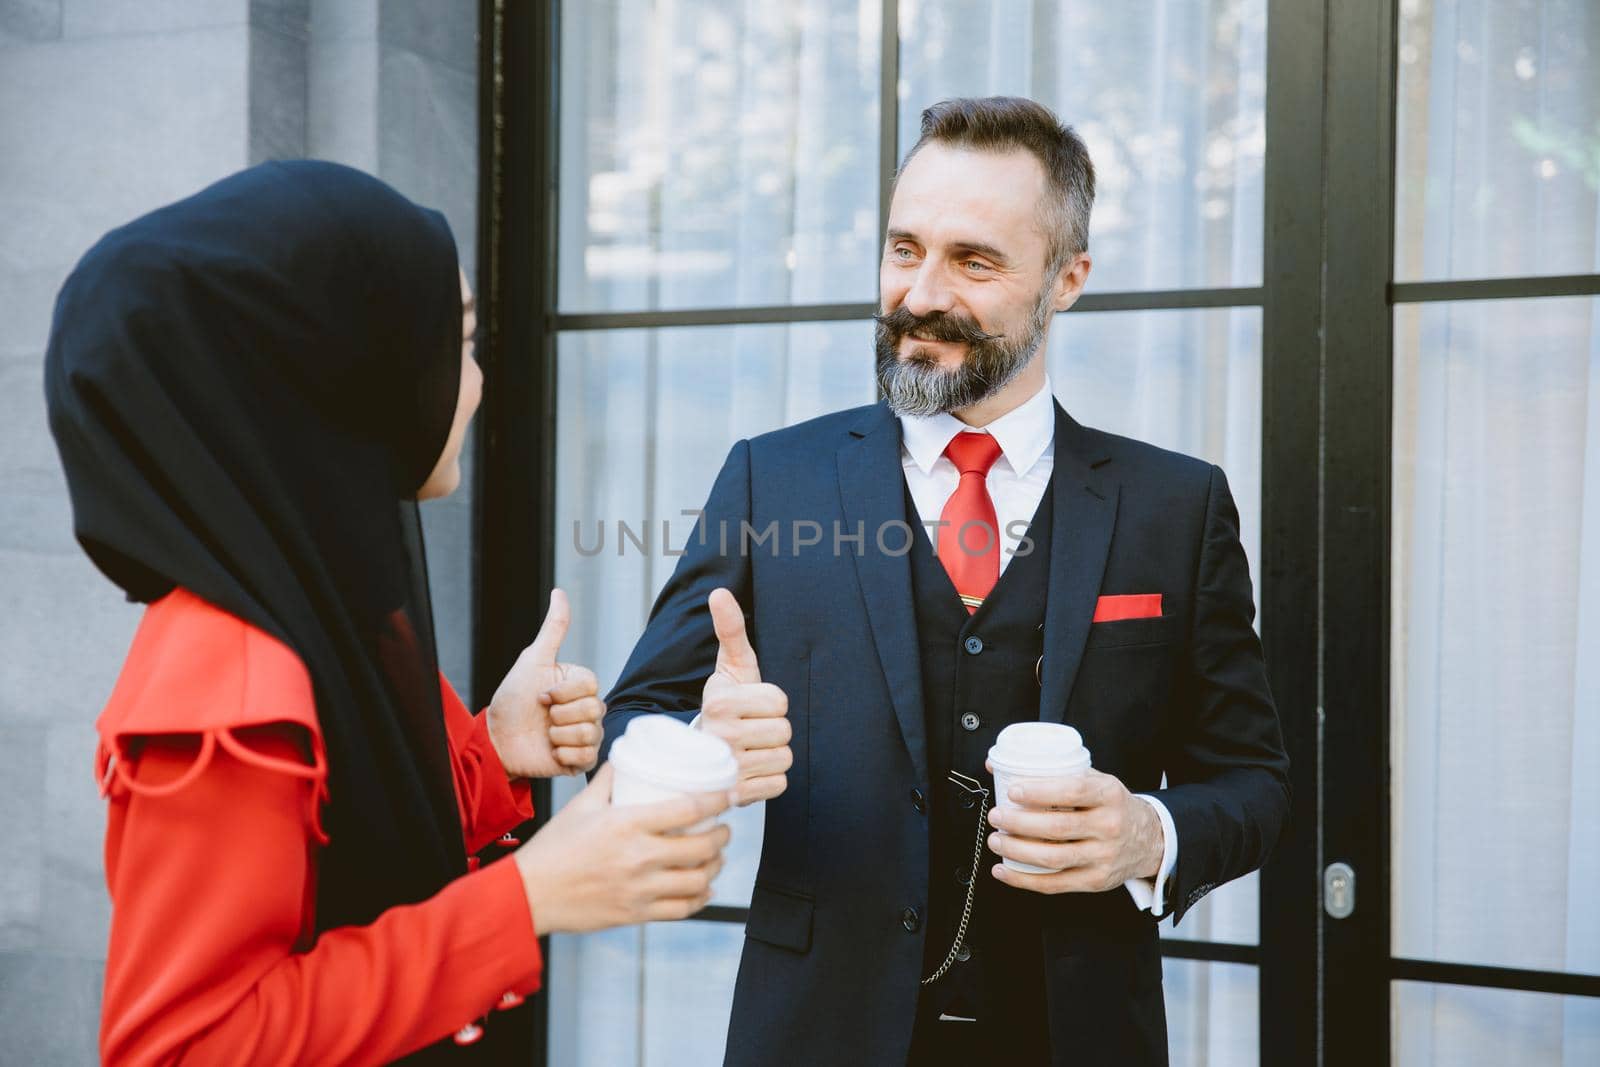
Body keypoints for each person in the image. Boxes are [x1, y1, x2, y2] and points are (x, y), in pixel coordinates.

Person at [600, 97, 1291, 1065]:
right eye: (902, 248)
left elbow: (1254, 781)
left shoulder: (1177, 505)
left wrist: (1148, 832)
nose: (920, 293)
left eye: (974, 261)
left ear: (1067, 280)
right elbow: (628, 725)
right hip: (816, 1035)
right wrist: (697, 750)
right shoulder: (772, 477)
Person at [45, 161, 732, 1066]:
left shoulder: (313, 589)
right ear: (340, 369)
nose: (478, 384)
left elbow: (344, 850)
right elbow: (185, 1045)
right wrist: (527, 897)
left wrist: (496, 752)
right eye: (456, 341)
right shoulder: (234, 667)